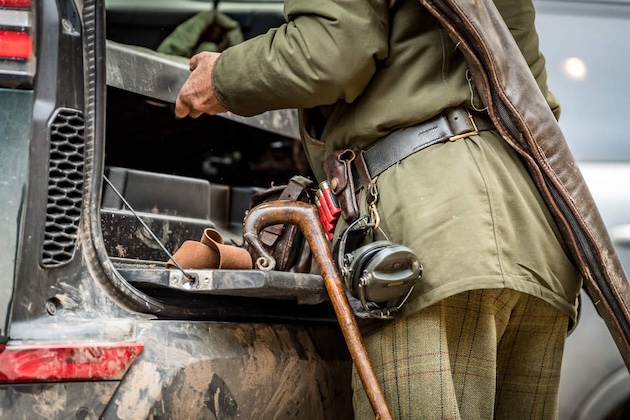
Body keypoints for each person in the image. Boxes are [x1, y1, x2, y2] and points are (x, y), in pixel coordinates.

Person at [175, 0, 582, 417]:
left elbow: (332, 50)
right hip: (537, 241)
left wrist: (223, 76)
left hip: (435, 239)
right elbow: (533, 98)